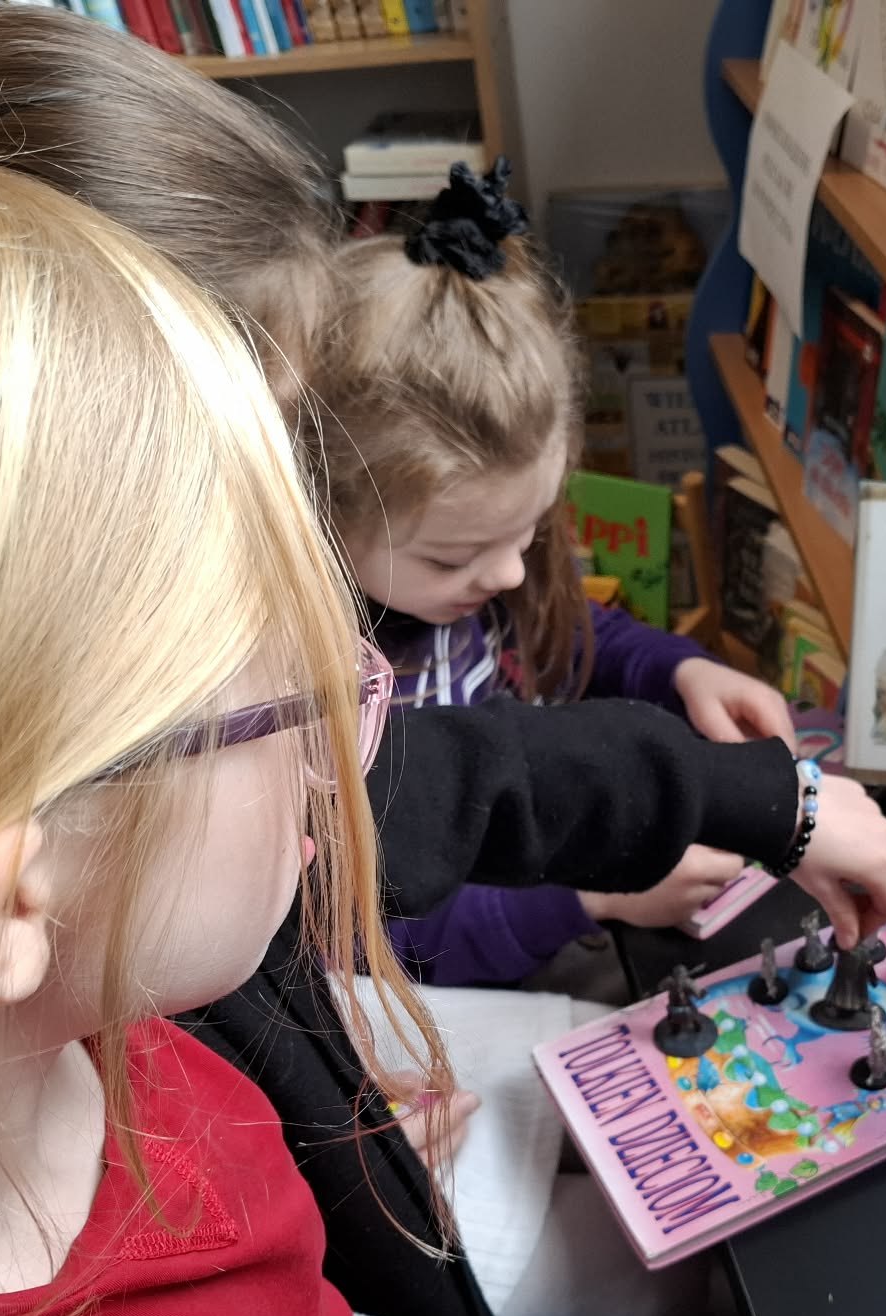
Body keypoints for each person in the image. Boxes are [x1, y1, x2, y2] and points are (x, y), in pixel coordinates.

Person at [0, 119, 805, 1316]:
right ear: (16, 896)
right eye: (295, 697)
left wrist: (342, 1119)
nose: (361, 746)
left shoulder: (131, 1015)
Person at [0, 5, 886, 1316]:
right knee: (675, 1287)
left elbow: (429, 792)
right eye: (258, 471)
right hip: (337, 1167)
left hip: (341, 1086)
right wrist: (344, 1087)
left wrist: (334, 1059)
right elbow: (358, 858)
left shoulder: (138, 724)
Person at [318, 160, 799, 989]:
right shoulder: (312, 690)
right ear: (323, 512)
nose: (509, 573)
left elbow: (569, 638)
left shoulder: (478, 568)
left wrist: (681, 670)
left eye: (532, 529)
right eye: (454, 558)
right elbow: (365, 932)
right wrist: (588, 900)